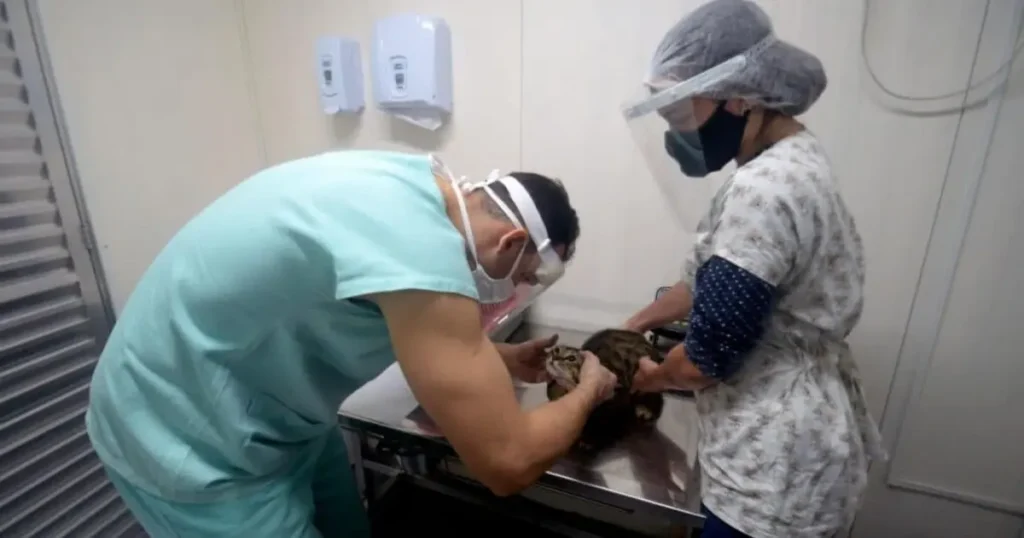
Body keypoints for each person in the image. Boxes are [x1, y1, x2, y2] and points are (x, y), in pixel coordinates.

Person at [85, 149, 618, 537]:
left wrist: (501, 359)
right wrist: (588, 390)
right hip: (186, 435)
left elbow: (412, 328)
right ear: (512, 241)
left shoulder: (414, 184)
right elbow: (507, 461)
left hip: (274, 416)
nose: (515, 291)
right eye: (522, 277)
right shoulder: (423, 254)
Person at [620, 1, 886, 537]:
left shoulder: (763, 190)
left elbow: (707, 357)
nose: (676, 137)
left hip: (771, 475)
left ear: (740, 97)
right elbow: (706, 280)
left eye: (682, 116)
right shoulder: (794, 158)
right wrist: (635, 325)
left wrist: (650, 378)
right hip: (792, 443)